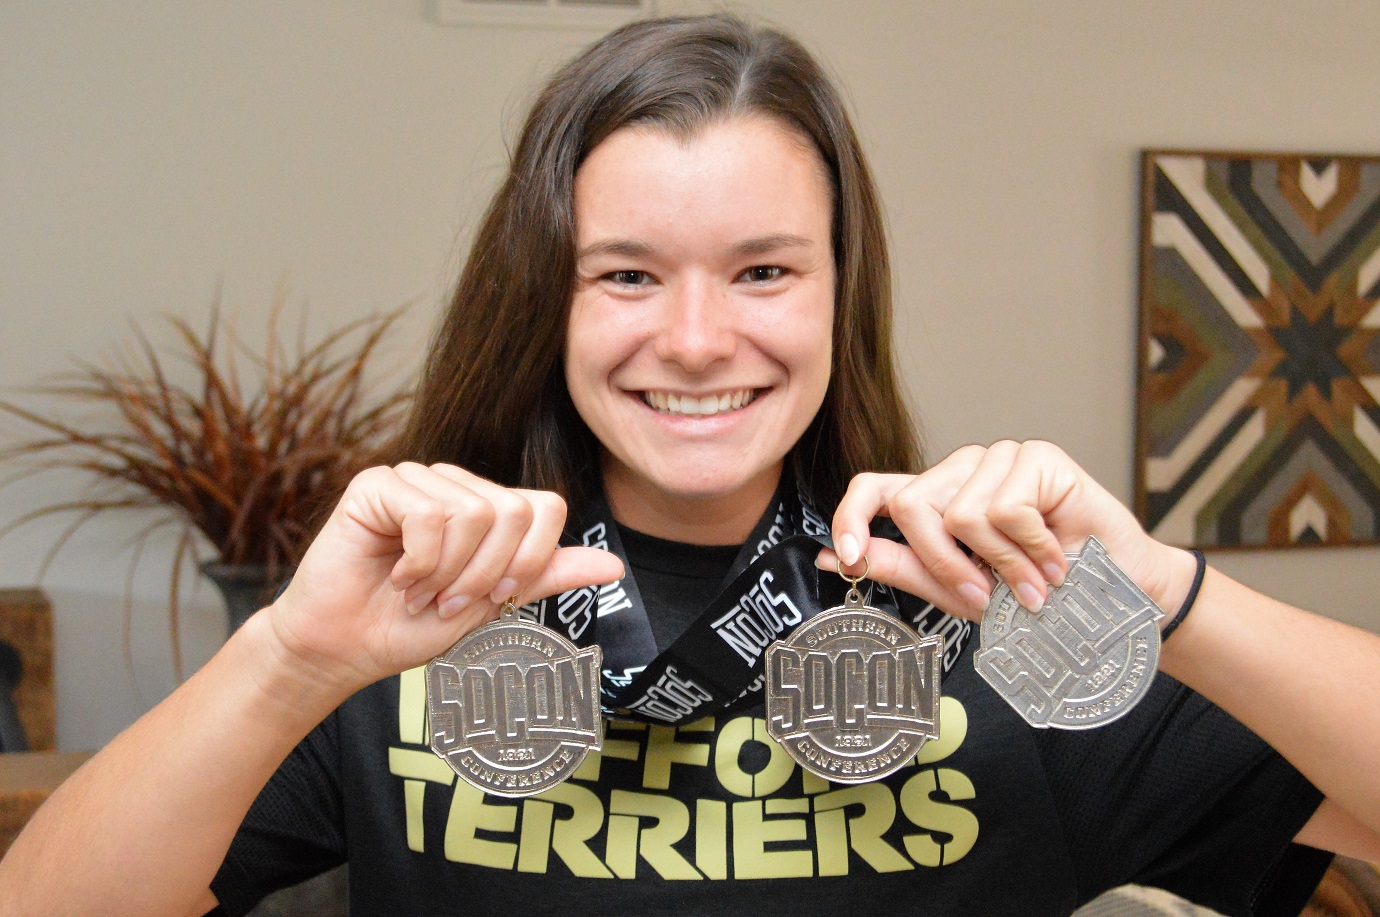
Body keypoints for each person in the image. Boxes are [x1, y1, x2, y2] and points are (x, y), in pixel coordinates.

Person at [2, 13, 1378, 917]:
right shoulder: (418, 610)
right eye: (628, 274)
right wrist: (291, 657)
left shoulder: (993, 607)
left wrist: (1159, 591)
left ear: (840, 293)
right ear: (545, 302)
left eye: (764, 270)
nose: (700, 338)